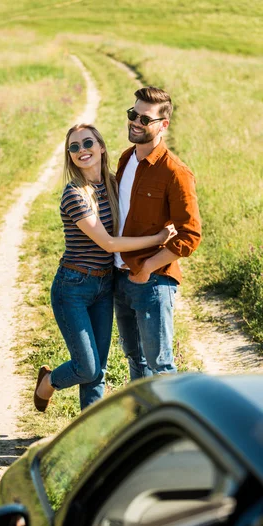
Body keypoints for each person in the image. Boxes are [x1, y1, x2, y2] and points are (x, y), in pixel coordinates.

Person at [33, 123, 177, 412]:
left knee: (98, 370)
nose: (82, 150)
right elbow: (109, 244)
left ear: (101, 147)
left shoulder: (113, 185)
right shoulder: (75, 194)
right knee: (86, 368)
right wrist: (160, 238)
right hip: (73, 287)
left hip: (105, 285)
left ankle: (92, 440)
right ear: (70, 156)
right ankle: (48, 381)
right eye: (74, 147)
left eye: (87, 143)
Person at [114, 86, 202, 381]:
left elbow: (190, 235)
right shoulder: (126, 159)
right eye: (133, 114)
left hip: (152, 282)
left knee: (160, 367)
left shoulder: (175, 172)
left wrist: (147, 267)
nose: (136, 122)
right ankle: (142, 423)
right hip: (120, 276)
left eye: (145, 119)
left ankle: (169, 426)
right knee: (135, 361)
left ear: (163, 125)